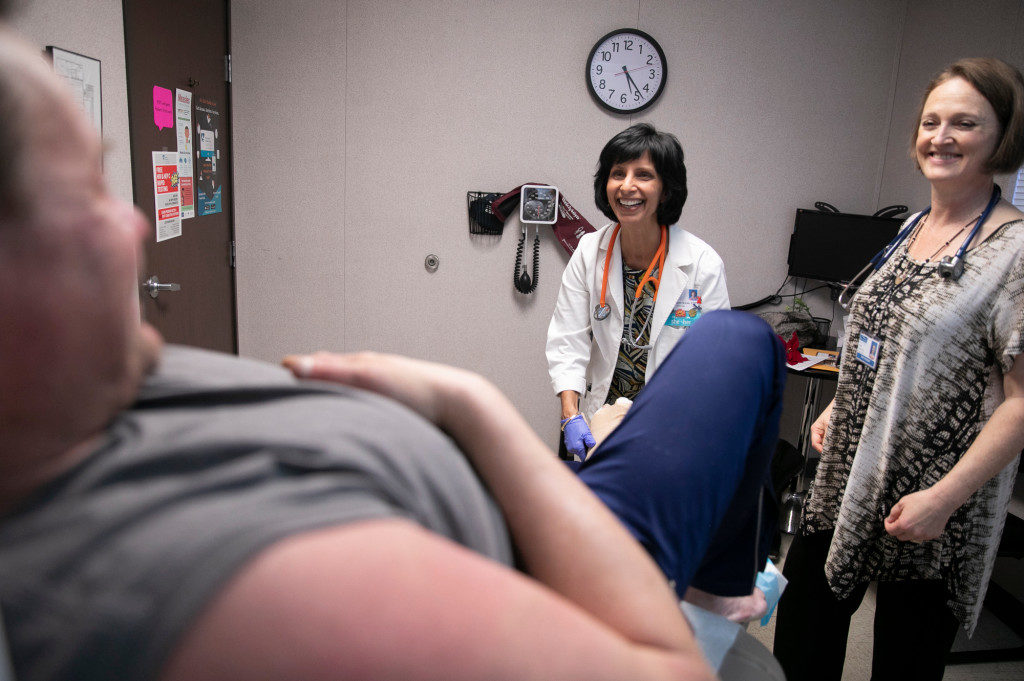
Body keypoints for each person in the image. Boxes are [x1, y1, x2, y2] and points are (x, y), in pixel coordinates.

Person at [0, 25, 786, 681]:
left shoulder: (102, 389)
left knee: (727, 339)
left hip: (594, 454)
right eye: (88, 191)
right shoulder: (168, 566)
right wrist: (477, 414)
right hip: (573, 560)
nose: (136, 225)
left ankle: (717, 581)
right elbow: (656, 670)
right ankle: (713, 593)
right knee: (742, 343)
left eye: (643, 174)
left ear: (667, 186)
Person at [773, 57, 1024, 681]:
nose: (940, 137)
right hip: (844, 479)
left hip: (935, 504)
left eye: (964, 123)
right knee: (802, 633)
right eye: (931, 121)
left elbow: (1021, 402)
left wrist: (944, 498)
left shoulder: (1014, 252)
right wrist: (838, 405)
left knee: (905, 662)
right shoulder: (912, 228)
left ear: (1004, 136)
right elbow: (879, 340)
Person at [547, 123, 730, 462]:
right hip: (600, 425)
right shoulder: (589, 252)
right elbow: (567, 340)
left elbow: (716, 363)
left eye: (643, 175)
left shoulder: (702, 264)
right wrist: (570, 415)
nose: (627, 186)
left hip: (673, 431)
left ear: (667, 189)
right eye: (618, 173)